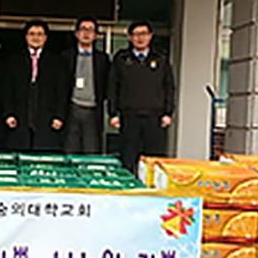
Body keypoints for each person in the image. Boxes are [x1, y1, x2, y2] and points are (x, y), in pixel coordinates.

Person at [108, 21, 176, 170]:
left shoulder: (160, 59)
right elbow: (113, 87)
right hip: (129, 116)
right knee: (128, 157)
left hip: (154, 117)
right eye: (136, 34)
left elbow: (169, 87)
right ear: (130, 37)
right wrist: (113, 113)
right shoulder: (121, 59)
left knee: (153, 158)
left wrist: (168, 112)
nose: (140, 38)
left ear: (150, 36)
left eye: (144, 34)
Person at [4, 20, 67, 152]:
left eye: (40, 34)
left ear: (45, 37)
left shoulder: (57, 62)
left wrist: (59, 116)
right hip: (20, 117)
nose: (36, 38)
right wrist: (8, 114)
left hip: (47, 119)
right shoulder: (13, 61)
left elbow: (62, 92)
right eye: (32, 34)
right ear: (26, 37)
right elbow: (7, 91)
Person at [61, 16, 110, 154]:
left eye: (90, 30)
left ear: (95, 35)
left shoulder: (102, 59)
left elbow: (108, 85)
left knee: (92, 151)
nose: (86, 33)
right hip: (71, 109)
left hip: (93, 110)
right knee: (70, 150)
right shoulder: (66, 56)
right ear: (76, 33)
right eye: (83, 29)